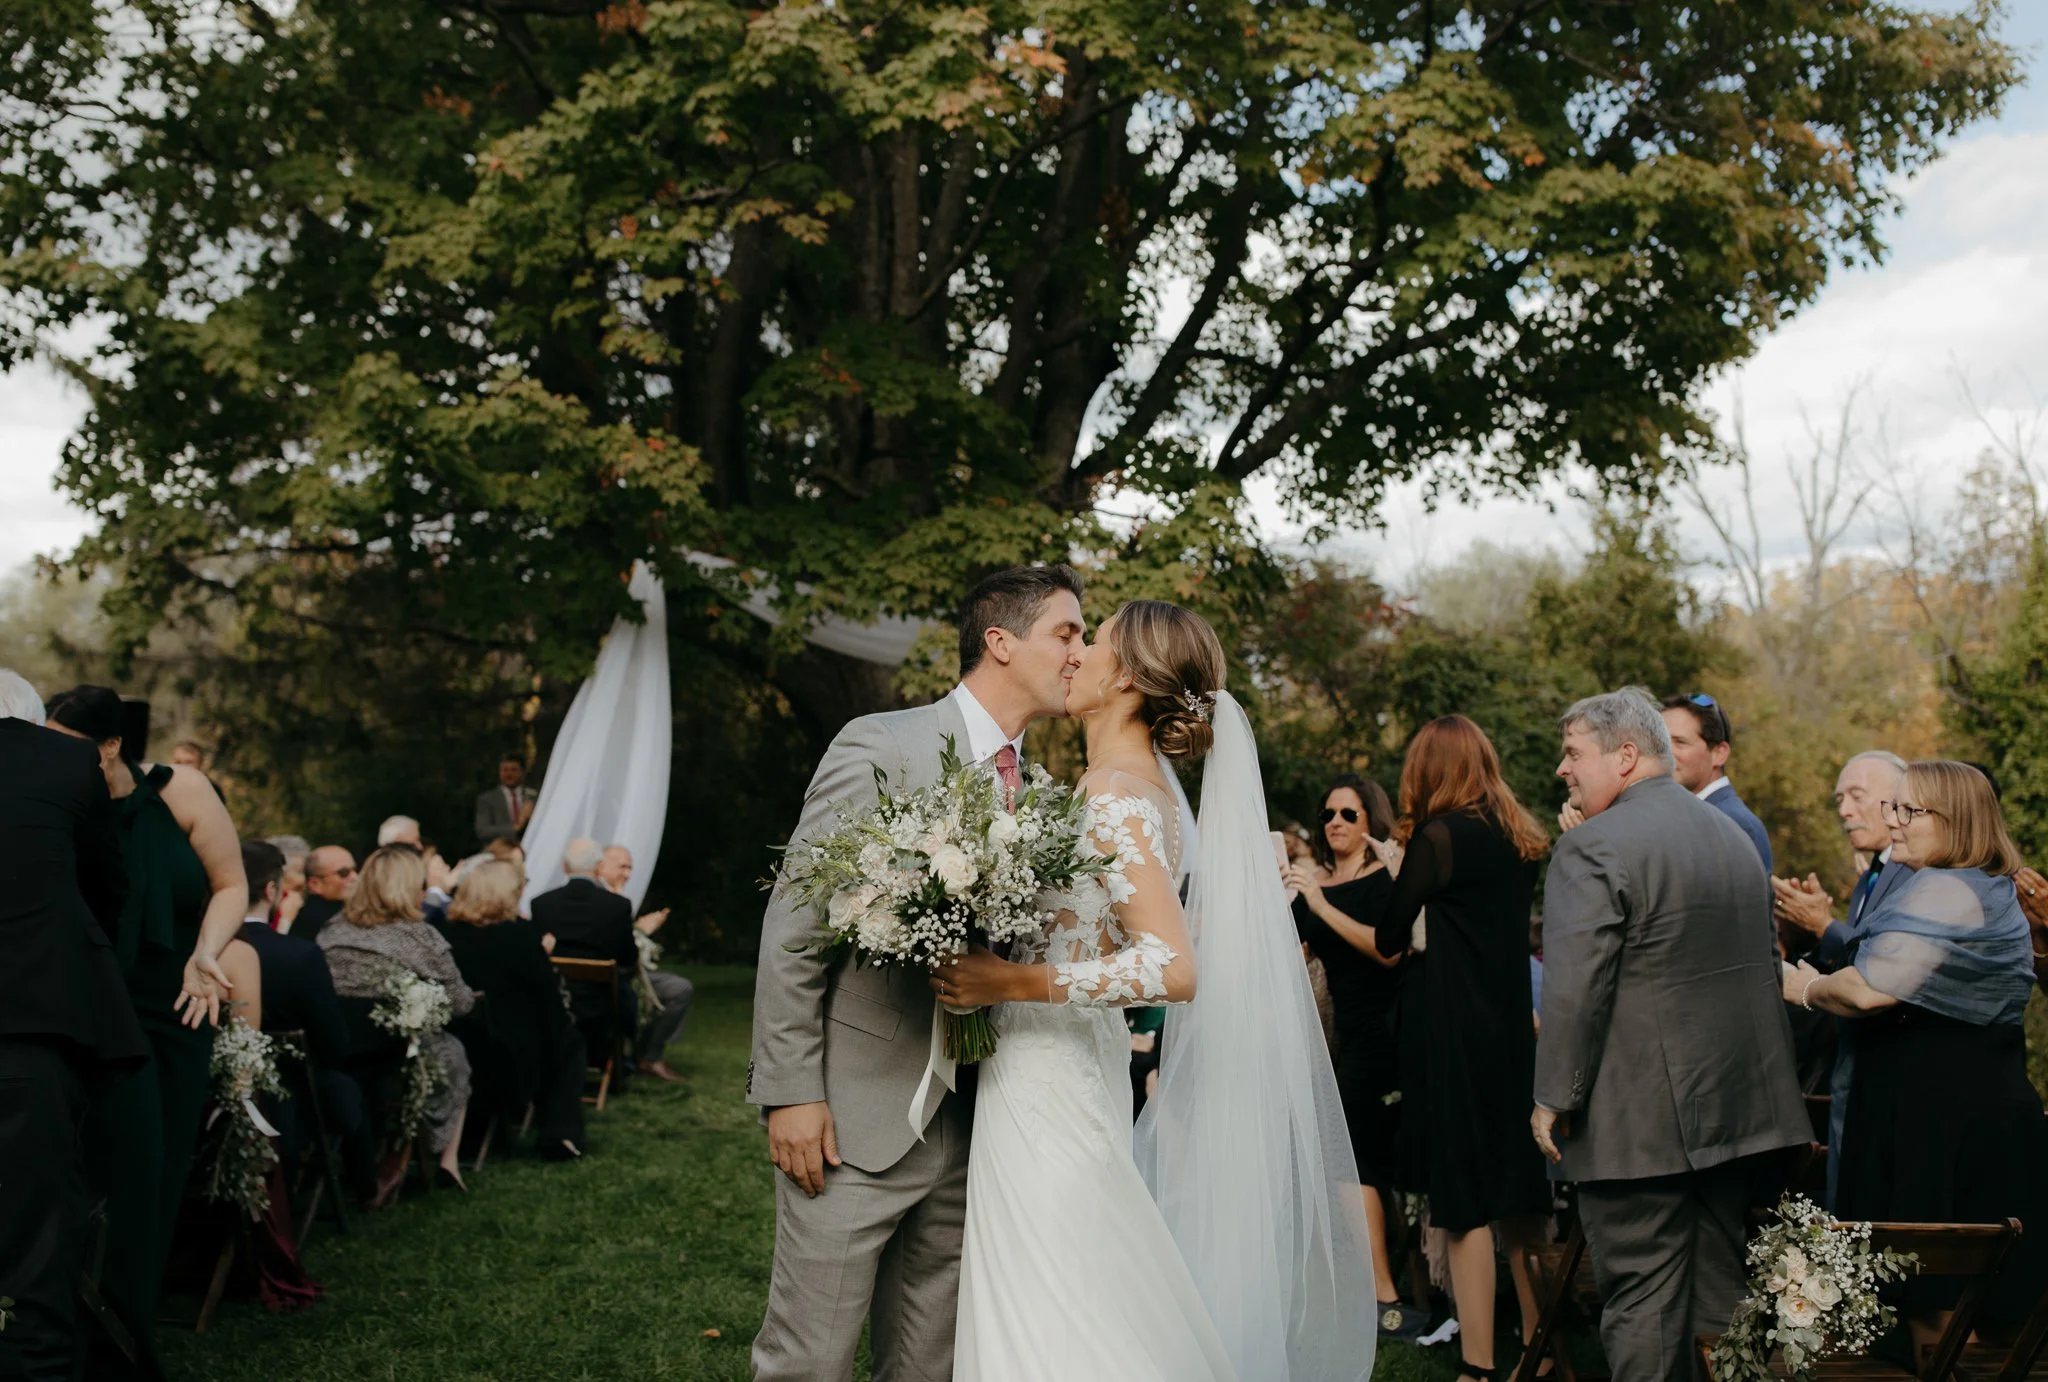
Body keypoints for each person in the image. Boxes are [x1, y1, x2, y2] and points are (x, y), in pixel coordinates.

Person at [932, 600, 1377, 1381]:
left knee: (1054, 1296)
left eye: (1092, 643)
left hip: (1053, 1078)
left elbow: (1173, 969)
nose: (1077, 657)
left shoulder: (1116, 794)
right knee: (1067, 1283)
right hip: (1056, 1065)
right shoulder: (1129, 787)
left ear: (1130, 676)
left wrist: (1010, 978)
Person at [748, 564, 1089, 1380]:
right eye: (1068, 633)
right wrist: (792, 1090)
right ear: (1000, 641)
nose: (1082, 652)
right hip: (854, 1118)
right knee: (808, 1358)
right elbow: (794, 927)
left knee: (930, 1360)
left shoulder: (1037, 791)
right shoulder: (878, 744)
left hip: (977, 1126)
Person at [1535, 688, 1808, 1382]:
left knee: (1643, 1309)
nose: (1562, 769)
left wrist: (1552, 1097)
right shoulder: (1735, 838)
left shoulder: (1589, 848)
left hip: (1639, 1134)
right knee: (1722, 1309)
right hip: (1741, 1121)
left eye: (1573, 753)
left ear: (1625, 755)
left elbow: (1574, 991)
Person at [1782, 761, 2048, 1327]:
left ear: (1956, 822)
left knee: (1942, 1316)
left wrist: (1803, 987)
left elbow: (1872, 990)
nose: (1893, 822)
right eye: (1892, 808)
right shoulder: (1964, 883)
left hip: (1952, 1129)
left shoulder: (1950, 890)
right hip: (1944, 1118)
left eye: (1908, 810)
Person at [46, 684, 249, 1377]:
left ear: (109, 746)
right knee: (88, 1164)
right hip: (86, 1004)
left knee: (151, 1172)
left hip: (176, 1003)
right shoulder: (59, 801)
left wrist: (206, 952)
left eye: (63, 743)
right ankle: (62, 1326)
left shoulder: (183, 789)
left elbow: (231, 885)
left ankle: (125, 1334)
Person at [1369, 717, 1552, 1382]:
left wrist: (1396, 874)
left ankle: (1478, 1364)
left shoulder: (1438, 839)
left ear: (1430, 770)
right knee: (1516, 1192)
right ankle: (1539, 1340)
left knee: (1465, 1198)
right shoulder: (1519, 839)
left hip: (1453, 1030)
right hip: (1510, 1029)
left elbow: (1391, 938)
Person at [0, 671, 146, 1382]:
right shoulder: (67, 762)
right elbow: (106, 885)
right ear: (30, 722)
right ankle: (37, 1367)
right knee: (35, 1227)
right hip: (32, 1021)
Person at [1284, 774, 1422, 1341]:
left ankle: (1383, 1294)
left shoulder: (1380, 879)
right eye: (1327, 814)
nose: (1335, 822)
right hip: (1340, 1037)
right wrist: (1284, 899)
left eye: (1348, 812)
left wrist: (1318, 900)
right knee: (1351, 1159)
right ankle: (1377, 1286)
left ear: (1371, 819)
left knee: (1360, 1160)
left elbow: (1388, 952)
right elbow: (1292, 957)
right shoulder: (1315, 885)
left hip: (1386, 1033)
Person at [1771, 750, 1913, 1171]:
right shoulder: (1873, 873)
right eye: (1838, 801)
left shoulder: (1911, 873)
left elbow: (1884, 967)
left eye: (1856, 796)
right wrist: (1805, 938)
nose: (1845, 810)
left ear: (1899, 800)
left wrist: (1823, 926)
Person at [317, 846, 477, 1190]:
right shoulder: (418, 937)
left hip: (339, 1054)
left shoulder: (332, 931)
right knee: (454, 1052)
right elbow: (461, 1002)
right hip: (397, 1058)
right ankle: (446, 1160)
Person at [234, 841, 374, 1201]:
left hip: (222, 1090)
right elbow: (334, 1044)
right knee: (349, 1090)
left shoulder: (203, 950)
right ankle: (364, 1188)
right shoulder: (300, 956)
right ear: (271, 891)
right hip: (299, 1093)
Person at [437, 859, 587, 1160]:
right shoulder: (521, 936)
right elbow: (550, 1006)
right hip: (508, 1062)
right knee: (569, 1042)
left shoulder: (444, 932)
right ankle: (560, 1132)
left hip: (456, 1047)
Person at [532, 838, 640, 1083]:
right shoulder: (617, 906)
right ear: (598, 866)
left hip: (554, 1000)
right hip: (602, 1005)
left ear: (564, 866)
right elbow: (628, 958)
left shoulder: (541, 904)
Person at [594, 843, 694, 1083]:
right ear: (601, 866)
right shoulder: (600, 897)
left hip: (625, 975)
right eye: (622, 867)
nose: (627, 874)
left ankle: (648, 1055)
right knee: (677, 989)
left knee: (679, 987)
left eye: (630, 868)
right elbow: (613, 947)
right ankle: (646, 1057)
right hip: (612, 980)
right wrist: (640, 930)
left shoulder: (616, 896)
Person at [1660, 693, 1771, 871]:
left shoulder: (1736, 825)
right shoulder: (1677, 815)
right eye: (1661, 742)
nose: (1666, 753)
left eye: (1680, 742)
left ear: (1719, 754)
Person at [293, 845, 358, 942]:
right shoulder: (312, 922)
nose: (355, 877)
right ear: (315, 884)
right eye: (343, 873)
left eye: (355, 870)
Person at [474, 752, 535, 847]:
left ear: (522, 772)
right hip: (498, 853)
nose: (509, 774)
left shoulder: (533, 797)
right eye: (505, 770)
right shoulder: (487, 799)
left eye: (514, 770)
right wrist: (514, 828)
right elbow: (482, 831)